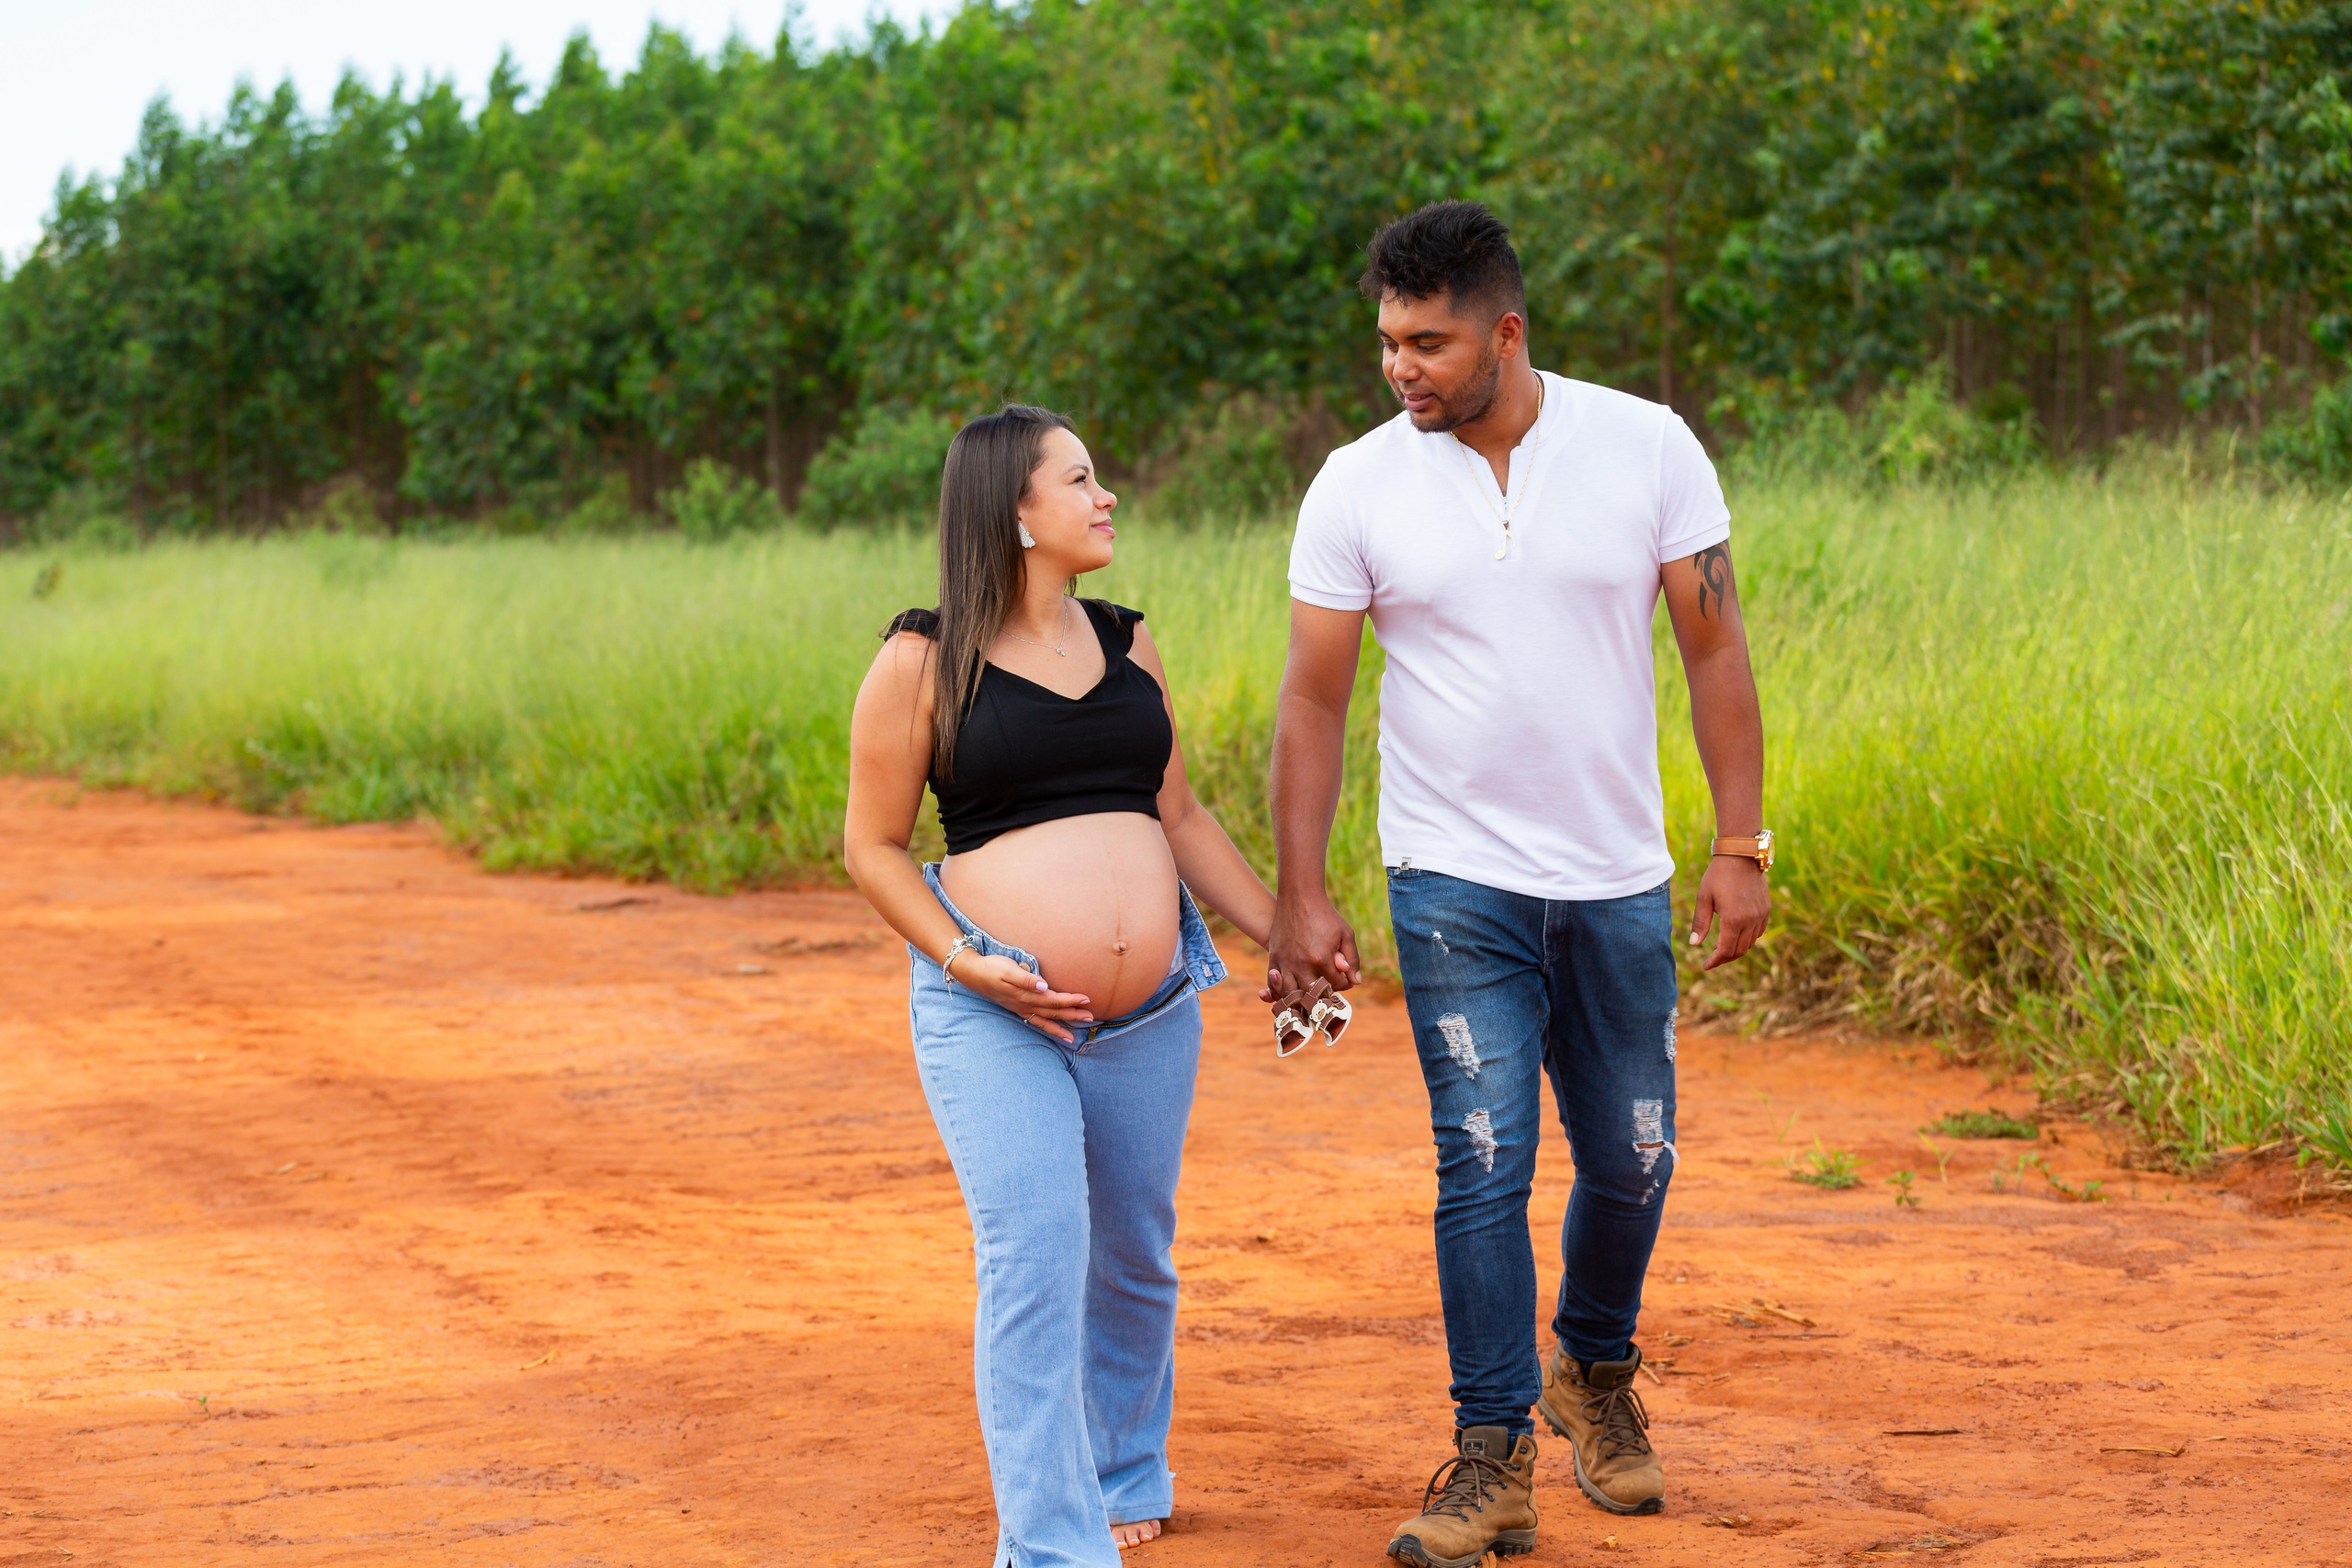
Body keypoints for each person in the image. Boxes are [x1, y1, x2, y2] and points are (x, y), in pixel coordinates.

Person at [1263, 201, 1772, 1567]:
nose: (1400, 369)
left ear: (1507, 331)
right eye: (1385, 342)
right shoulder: (1357, 482)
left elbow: (1714, 651)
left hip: (1617, 875)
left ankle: (1591, 1367)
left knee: (1637, 1153)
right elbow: (1314, 700)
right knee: (1481, 1157)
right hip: (1453, 876)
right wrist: (1299, 895)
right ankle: (1489, 1453)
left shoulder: (1647, 445)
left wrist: (1743, 841)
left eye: (1427, 342)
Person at [844, 404, 1276, 1567]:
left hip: (1149, 1013)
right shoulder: (919, 661)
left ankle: (1128, 1468)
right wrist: (962, 957)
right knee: (1036, 1255)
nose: (1107, 497)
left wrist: (1280, 929)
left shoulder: (1129, 644)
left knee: (1135, 1253)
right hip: (995, 1007)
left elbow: (1177, 813)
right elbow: (872, 846)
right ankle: (1048, 1543)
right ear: (1014, 512)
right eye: (1080, 480)